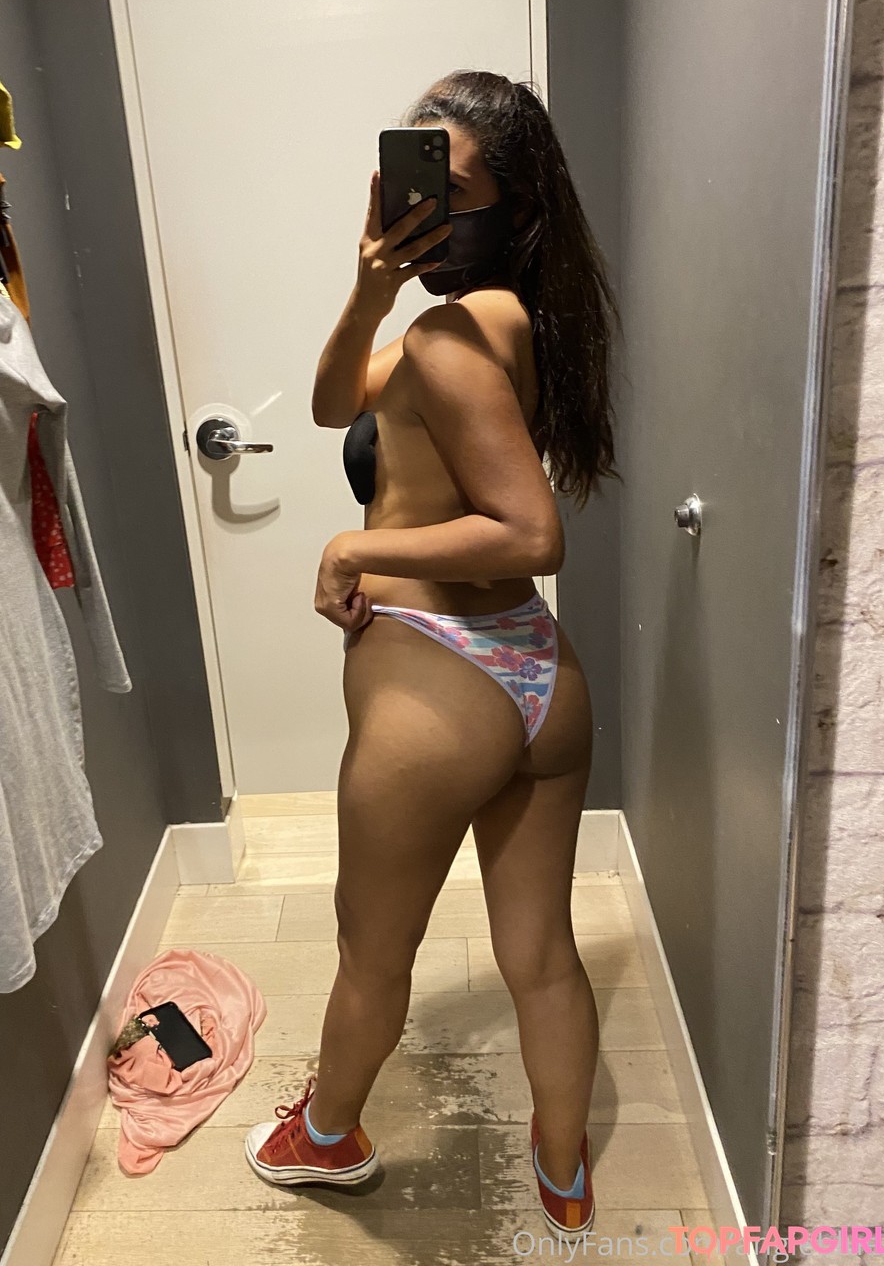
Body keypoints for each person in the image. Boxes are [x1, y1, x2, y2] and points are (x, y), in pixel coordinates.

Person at [244, 70, 621, 1240]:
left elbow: (530, 533)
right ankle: (564, 1172)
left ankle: (325, 1138)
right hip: (539, 681)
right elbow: (330, 405)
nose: (422, 205)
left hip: (437, 686)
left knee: (373, 953)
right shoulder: (497, 321)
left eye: (451, 188)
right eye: (412, 176)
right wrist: (369, 286)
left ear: (512, 205)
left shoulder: (450, 338)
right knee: (542, 954)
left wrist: (356, 544)